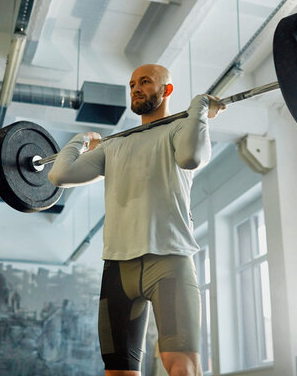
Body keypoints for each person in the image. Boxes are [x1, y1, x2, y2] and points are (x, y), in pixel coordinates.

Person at [49, 64, 225, 376]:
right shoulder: (114, 145)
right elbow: (60, 174)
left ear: (166, 90)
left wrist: (197, 108)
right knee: (118, 372)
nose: (136, 89)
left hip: (169, 261)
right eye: (132, 84)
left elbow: (191, 158)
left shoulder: (179, 129)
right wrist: (81, 138)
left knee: (181, 365)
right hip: (117, 269)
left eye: (145, 82)